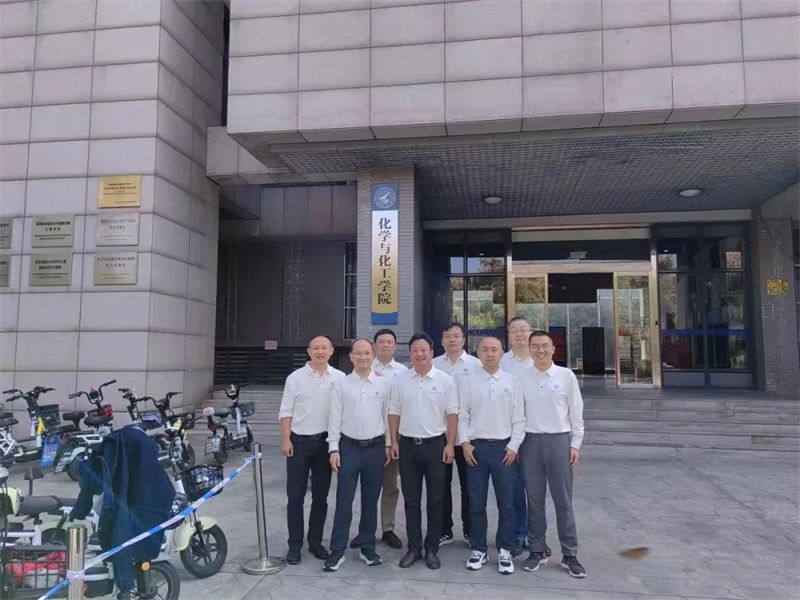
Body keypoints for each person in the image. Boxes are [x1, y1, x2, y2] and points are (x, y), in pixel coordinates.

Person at [519, 330, 587, 578]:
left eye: (544, 346)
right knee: (534, 501)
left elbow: (576, 413)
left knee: (563, 501)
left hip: (559, 441)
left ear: (553, 349)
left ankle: (570, 554)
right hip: (530, 443)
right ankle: (537, 550)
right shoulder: (521, 378)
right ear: (529, 349)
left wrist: (575, 444)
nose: (540, 350)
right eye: (535, 346)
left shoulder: (566, 376)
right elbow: (518, 414)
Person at [388, 332, 458, 570]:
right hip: (408, 446)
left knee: (436, 500)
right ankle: (414, 547)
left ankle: (432, 548)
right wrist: (394, 441)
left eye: (423, 350)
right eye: (415, 350)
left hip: (436, 446)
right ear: (410, 354)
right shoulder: (400, 380)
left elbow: (452, 414)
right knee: (411, 500)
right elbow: (394, 411)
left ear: (431, 353)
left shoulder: (445, 380)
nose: (419, 354)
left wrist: (450, 444)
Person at [458, 336, 525, 574]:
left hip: (504, 450)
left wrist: (514, 446)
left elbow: (519, 418)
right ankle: (479, 549)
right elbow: (463, 415)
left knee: (507, 503)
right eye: (485, 350)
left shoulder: (512, 381)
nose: (489, 354)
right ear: (478, 353)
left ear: (501, 353)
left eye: (494, 350)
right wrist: (464, 443)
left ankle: (505, 549)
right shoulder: (468, 382)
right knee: (476, 502)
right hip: (476, 450)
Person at [324, 339, 391, 572]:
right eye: (358, 353)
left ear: (373, 355)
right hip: (348, 448)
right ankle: (338, 550)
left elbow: (387, 416)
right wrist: (333, 448)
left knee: (370, 502)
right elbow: (334, 417)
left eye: (367, 353)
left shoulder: (383, 384)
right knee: (344, 501)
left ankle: (367, 547)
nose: (363, 357)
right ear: (351, 357)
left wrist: (388, 445)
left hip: (375, 449)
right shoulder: (341, 384)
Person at [279, 335, 345, 565]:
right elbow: (286, 411)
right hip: (298, 443)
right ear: (308, 351)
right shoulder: (295, 378)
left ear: (331, 351)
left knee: (320, 497)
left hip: (324, 445)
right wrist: (286, 440)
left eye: (324, 348)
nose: (320, 352)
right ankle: (294, 545)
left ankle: (315, 542)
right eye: (315, 348)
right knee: (295, 497)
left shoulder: (340, 378)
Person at [350, 328, 407, 551]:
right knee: (368, 487)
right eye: (381, 342)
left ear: (395, 346)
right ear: (374, 347)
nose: (385, 345)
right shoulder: (363, 367)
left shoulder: (403, 372)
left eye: (389, 342)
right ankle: (366, 530)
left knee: (390, 485)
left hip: (393, 438)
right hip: (367, 439)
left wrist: (393, 441)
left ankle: (388, 528)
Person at [500, 316, 550, 558]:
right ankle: (518, 534)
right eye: (514, 330)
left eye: (523, 330)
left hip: (536, 434)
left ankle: (537, 537)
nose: (519, 334)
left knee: (536, 491)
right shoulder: (501, 361)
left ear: (530, 333)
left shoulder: (539, 360)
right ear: (508, 335)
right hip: (510, 436)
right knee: (515, 489)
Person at [432, 322, 480, 546]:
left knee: (469, 486)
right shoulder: (433, 365)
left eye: (456, 336)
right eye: (448, 336)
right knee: (441, 485)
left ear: (463, 340)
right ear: (442, 341)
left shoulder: (476, 365)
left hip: (467, 437)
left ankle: (470, 530)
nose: (452, 340)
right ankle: (444, 530)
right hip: (440, 434)